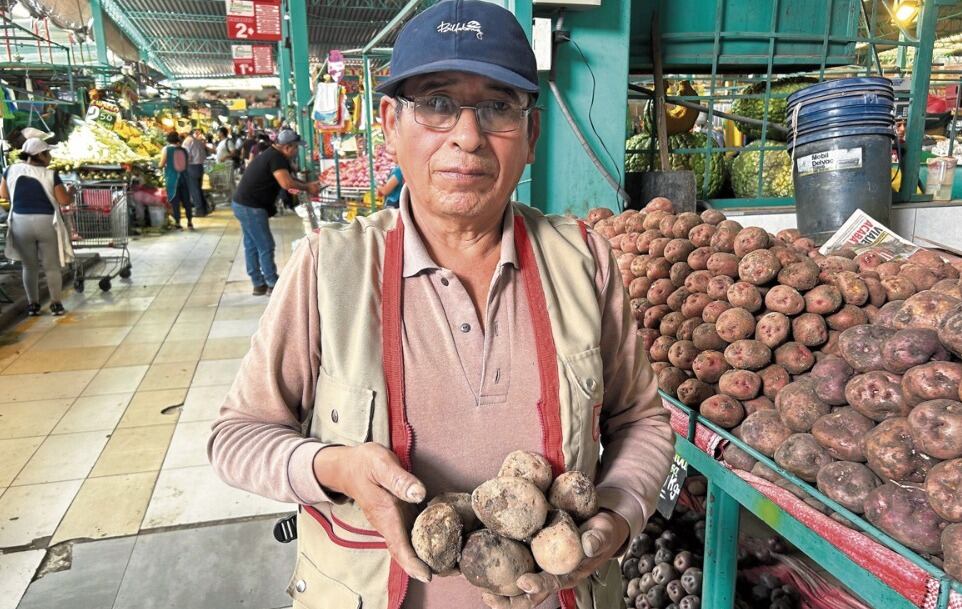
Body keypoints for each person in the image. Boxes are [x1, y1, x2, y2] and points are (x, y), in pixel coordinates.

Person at [208, 2, 674, 609]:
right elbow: (236, 438)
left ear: (531, 136)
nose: (468, 136)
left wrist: (618, 515)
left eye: (498, 107)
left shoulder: (584, 262)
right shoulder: (330, 268)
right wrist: (334, 468)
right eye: (436, 103)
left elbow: (641, 421)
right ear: (391, 124)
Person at [228, 128, 320, 296]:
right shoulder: (277, 158)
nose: (296, 151)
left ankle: (258, 284)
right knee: (265, 245)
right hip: (251, 207)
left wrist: (305, 185)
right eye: (295, 148)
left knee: (252, 244)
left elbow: (288, 178)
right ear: (287, 147)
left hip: (243, 204)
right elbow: (286, 183)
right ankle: (272, 283)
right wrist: (307, 187)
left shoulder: (273, 154)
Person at [0, 138, 74, 316]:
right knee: (51, 266)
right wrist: (71, 193)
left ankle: (33, 305)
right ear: (40, 155)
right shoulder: (50, 174)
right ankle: (56, 304)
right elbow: (64, 200)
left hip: (20, 223)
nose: (50, 157)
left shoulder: (10, 170)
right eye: (48, 153)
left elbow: (3, 194)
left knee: (29, 266)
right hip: (46, 222)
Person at [157, 132, 193, 230]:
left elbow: (161, 164)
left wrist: (159, 166)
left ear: (168, 140)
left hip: (172, 179)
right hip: (184, 178)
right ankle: (190, 222)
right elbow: (188, 162)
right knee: (186, 201)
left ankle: (177, 223)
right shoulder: (184, 150)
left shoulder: (166, 149)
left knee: (175, 201)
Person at [182, 128, 210, 216]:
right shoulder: (197, 141)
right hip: (200, 166)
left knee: (194, 189)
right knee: (198, 189)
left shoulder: (187, 142)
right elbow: (204, 155)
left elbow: (187, 156)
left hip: (192, 166)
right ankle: (205, 209)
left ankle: (200, 210)